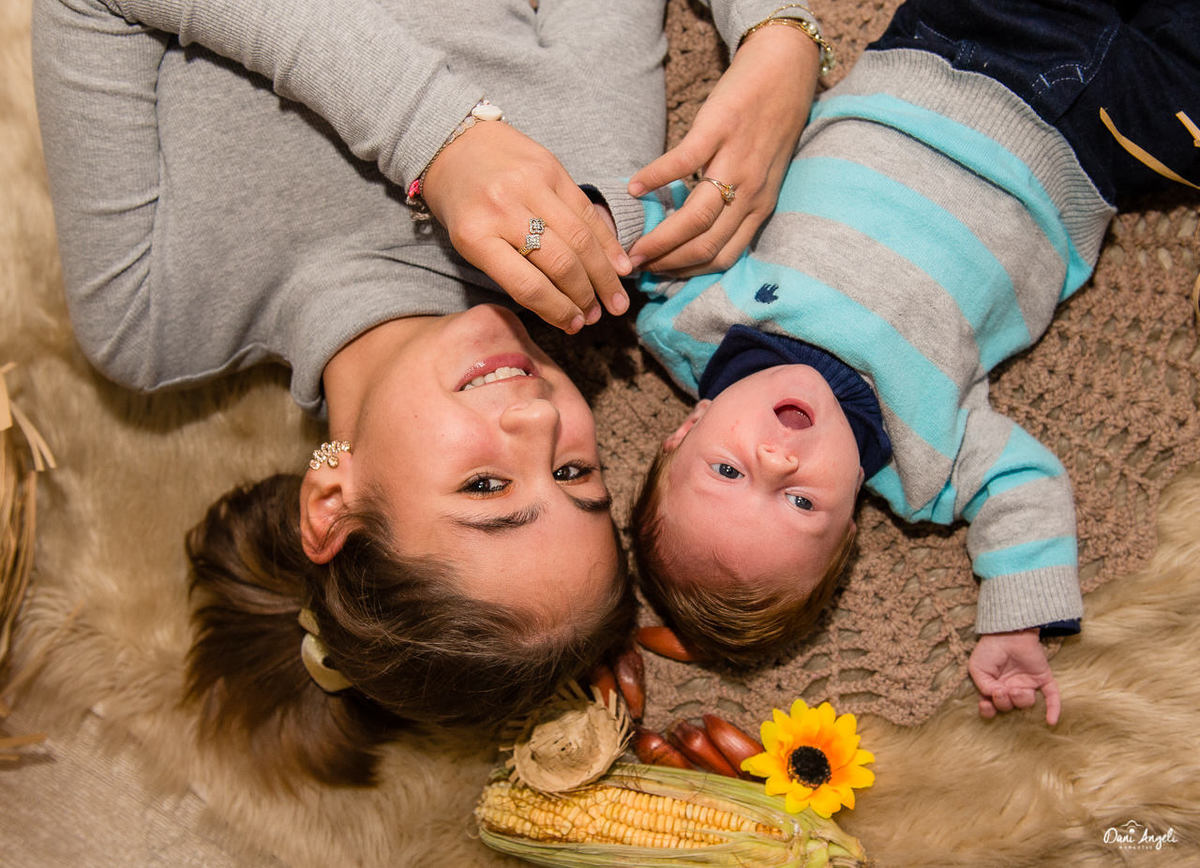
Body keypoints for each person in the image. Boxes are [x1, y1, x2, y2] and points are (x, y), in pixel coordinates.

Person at [31, 0, 831, 783]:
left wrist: (439, 137)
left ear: (332, 504)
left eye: (485, 486)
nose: (537, 418)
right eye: (573, 473)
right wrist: (778, 34)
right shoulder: (578, 222)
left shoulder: (148, 316)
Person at [630, 0, 1200, 727]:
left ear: (686, 430)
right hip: (1090, 145)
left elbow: (655, 231)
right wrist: (1015, 619)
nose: (775, 460)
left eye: (728, 471)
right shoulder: (925, 462)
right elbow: (1022, 485)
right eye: (801, 504)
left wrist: (604, 229)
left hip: (947, 46)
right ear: (850, 523)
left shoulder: (693, 323)